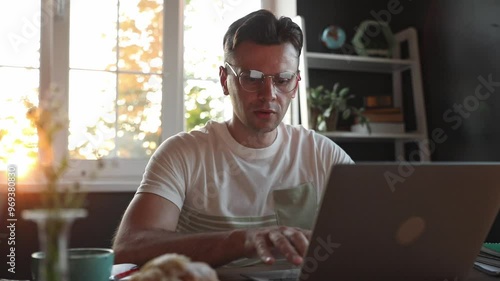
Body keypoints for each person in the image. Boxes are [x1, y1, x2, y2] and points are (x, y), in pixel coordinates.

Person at [113, 9, 353, 268]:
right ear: (225, 80)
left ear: (295, 84)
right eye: (252, 78)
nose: (269, 94)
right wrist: (242, 242)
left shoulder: (324, 155)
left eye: (282, 80)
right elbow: (129, 246)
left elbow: (370, 234)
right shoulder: (182, 154)